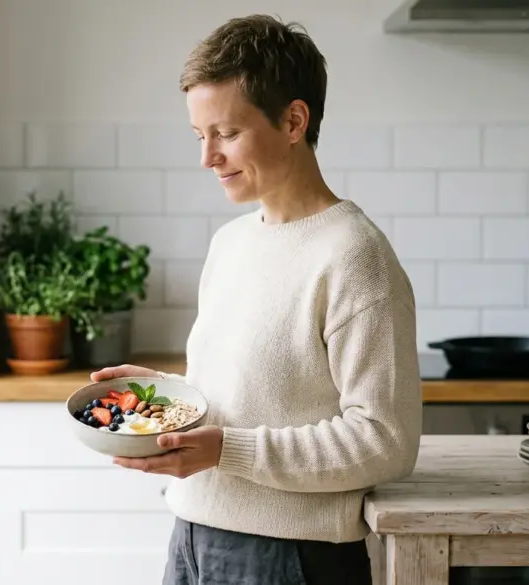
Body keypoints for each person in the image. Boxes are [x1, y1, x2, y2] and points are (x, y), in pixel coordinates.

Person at [90, 13, 422, 585]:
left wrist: (225, 451)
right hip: (192, 535)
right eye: (200, 136)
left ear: (294, 120)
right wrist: (164, 401)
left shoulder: (354, 255)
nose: (208, 158)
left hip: (290, 558)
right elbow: (251, 401)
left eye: (227, 133)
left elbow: (384, 441)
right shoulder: (232, 243)